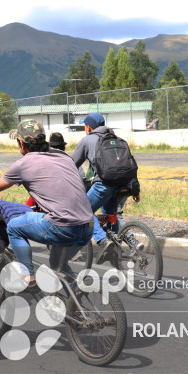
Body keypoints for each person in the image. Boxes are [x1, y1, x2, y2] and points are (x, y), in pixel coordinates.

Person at [0, 120, 94, 288]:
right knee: (58, 266)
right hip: (88, 225)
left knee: (14, 227)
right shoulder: (63, 156)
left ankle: (28, 276)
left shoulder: (25, 163)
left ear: (21, 143)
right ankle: (79, 308)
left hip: (62, 226)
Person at [71, 113, 138, 263]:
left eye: (85, 127)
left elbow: (72, 164)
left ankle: (102, 241)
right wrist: (136, 189)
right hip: (125, 184)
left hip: (105, 184)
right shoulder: (118, 139)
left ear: (88, 127)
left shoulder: (87, 140)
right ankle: (115, 247)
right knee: (110, 214)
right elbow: (132, 165)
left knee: (83, 209)